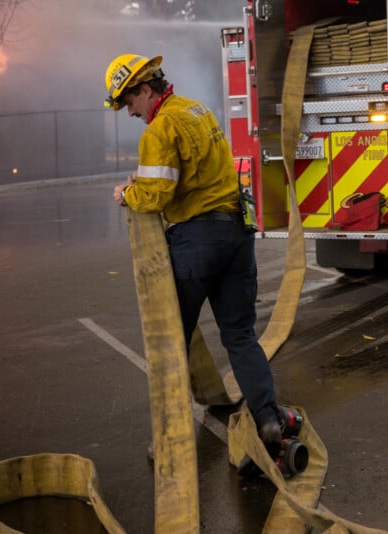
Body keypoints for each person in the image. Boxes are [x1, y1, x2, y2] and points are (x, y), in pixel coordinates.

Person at [105, 53, 282, 447]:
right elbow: (189, 172)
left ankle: (169, 439)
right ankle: (269, 420)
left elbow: (155, 195)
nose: (129, 113)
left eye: (129, 103)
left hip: (196, 242)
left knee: (172, 339)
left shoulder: (158, 130)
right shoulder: (197, 111)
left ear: (146, 90)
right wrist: (147, 179)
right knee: (239, 334)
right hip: (236, 234)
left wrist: (125, 193)